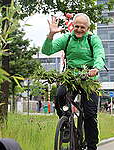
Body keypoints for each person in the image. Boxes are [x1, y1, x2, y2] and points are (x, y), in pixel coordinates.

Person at [42, 13, 105, 150]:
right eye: (76, 26)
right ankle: (66, 125)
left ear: (87, 28)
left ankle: (92, 145)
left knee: (90, 114)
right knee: (59, 96)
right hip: (71, 77)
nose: (79, 29)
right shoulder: (67, 38)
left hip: (89, 79)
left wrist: (96, 68)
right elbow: (46, 51)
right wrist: (51, 34)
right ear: (73, 26)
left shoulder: (92, 39)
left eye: (82, 27)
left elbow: (100, 55)